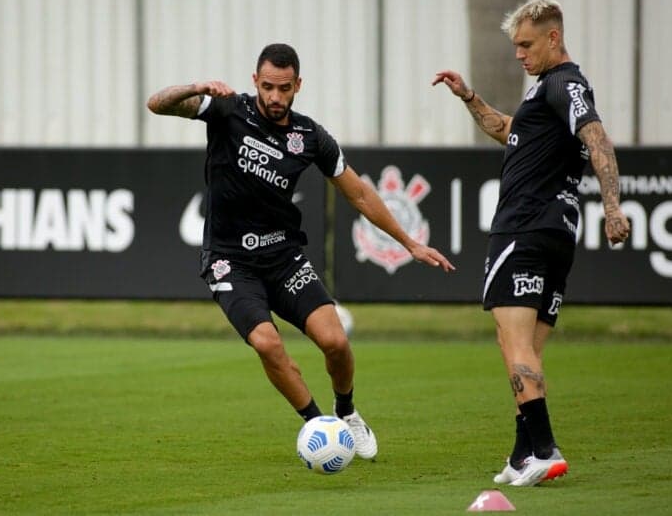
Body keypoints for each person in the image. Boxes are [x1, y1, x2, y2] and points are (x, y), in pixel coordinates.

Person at [147, 43, 455, 461]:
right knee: (267, 344)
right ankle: (317, 425)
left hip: (283, 257)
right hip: (229, 261)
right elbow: (156, 104)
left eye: (285, 89)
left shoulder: (310, 136)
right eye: (268, 87)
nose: (276, 97)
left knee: (336, 342)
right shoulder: (226, 110)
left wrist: (411, 243)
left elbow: (361, 194)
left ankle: (345, 413)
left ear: (298, 86)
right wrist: (197, 86)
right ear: (255, 81)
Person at [433, 0, 630, 486]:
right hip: (557, 234)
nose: (518, 54)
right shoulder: (545, 92)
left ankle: (544, 449)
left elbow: (598, 140)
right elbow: (509, 131)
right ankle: (523, 454)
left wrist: (613, 206)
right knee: (524, 347)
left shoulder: (565, 83)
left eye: (525, 44)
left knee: (513, 340)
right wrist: (469, 96)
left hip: (524, 228)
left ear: (553, 38)